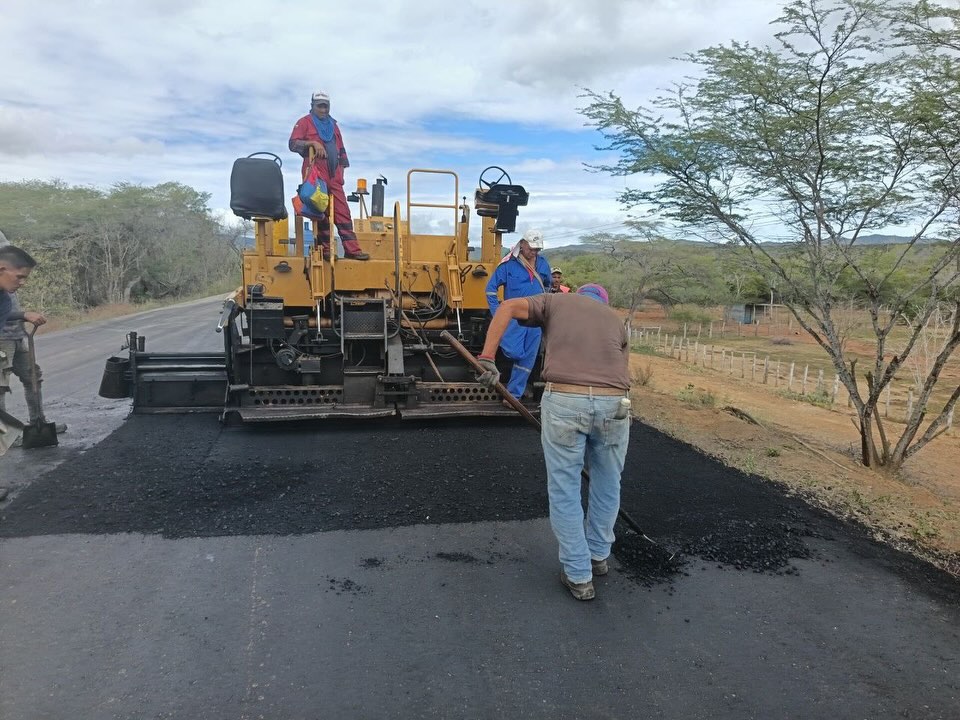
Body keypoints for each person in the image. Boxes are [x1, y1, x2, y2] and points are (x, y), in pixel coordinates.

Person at [476, 283, 630, 601]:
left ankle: (578, 575)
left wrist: (487, 357)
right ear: (603, 301)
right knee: (608, 483)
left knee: (565, 488)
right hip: (615, 403)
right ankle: (598, 556)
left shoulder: (555, 301)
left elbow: (506, 306)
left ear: (577, 295)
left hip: (566, 400)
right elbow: (622, 370)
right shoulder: (616, 320)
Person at [289, 91, 369, 261]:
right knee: (321, 211)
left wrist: (341, 173)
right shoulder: (304, 122)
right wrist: (312, 143)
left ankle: (352, 250)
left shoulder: (334, 126)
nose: (323, 110)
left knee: (343, 212)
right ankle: (325, 250)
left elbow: (342, 151)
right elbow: (293, 144)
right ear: (313, 106)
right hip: (315, 173)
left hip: (334, 175)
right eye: (320, 106)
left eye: (326, 106)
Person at [484, 229, 552, 400]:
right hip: (514, 318)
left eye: (537, 249)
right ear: (522, 244)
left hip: (536, 318)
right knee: (515, 352)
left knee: (529, 357)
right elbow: (491, 290)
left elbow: (548, 286)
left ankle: (513, 395)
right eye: (531, 248)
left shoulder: (543, 264)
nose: (534, 252)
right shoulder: (507, 265)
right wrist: (499, 314)